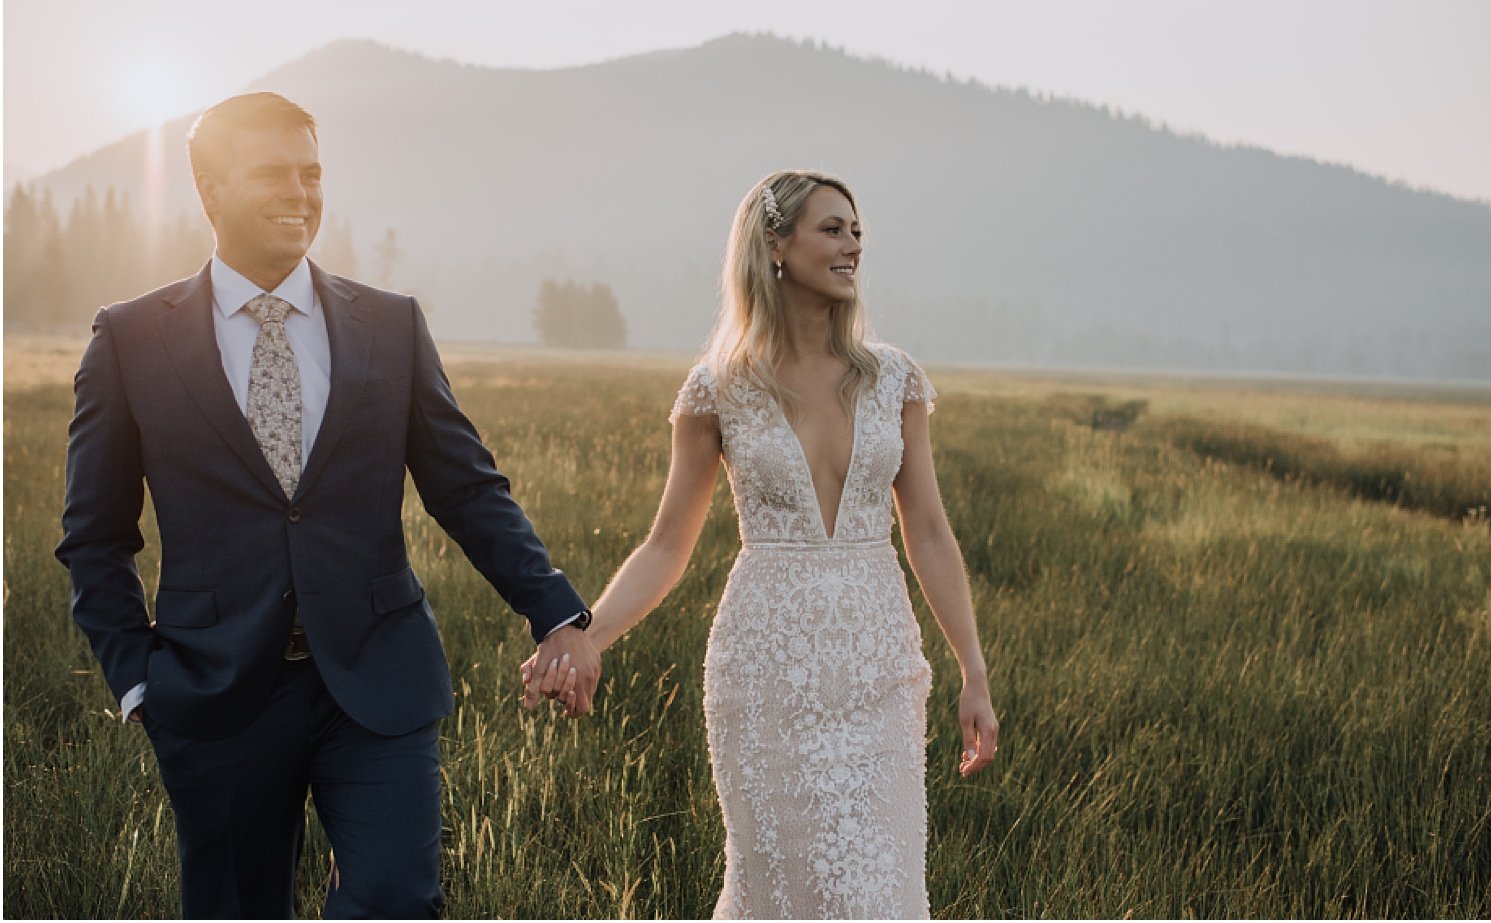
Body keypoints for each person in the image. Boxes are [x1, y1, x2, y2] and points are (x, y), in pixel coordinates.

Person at [56, 92, 600, 919]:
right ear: (207, 188)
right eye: (273, 173)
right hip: (214, 691)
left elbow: (467, 488)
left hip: (380, 678)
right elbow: (94, 537)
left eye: (312, 173)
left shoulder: (390, 324)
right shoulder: (130, 339)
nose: (300, 193)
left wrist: (556, 613)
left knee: (393, 899)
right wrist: (139, 679)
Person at [522, 170, 1000, 918]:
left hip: (879, 671)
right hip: (764, 672)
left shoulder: (895, 378)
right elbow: (665, 544)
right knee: (777, 890)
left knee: (883, 893)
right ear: (775, 246)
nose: (853, 246)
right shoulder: (718, 388)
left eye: (857, 232)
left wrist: (972, 668)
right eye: (833, 229)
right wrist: (590, 636)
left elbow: (930, 531)